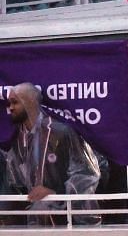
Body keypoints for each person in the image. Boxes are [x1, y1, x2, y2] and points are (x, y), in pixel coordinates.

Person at [3, 83, 100, 226]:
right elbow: (14, 183)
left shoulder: (60, 132)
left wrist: (55, 193)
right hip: (34, 220)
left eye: (15, 102)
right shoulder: (17, 139)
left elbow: (87, 174)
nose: (10, 108)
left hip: (66, 220)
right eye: (9, 103)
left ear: (30, 102)